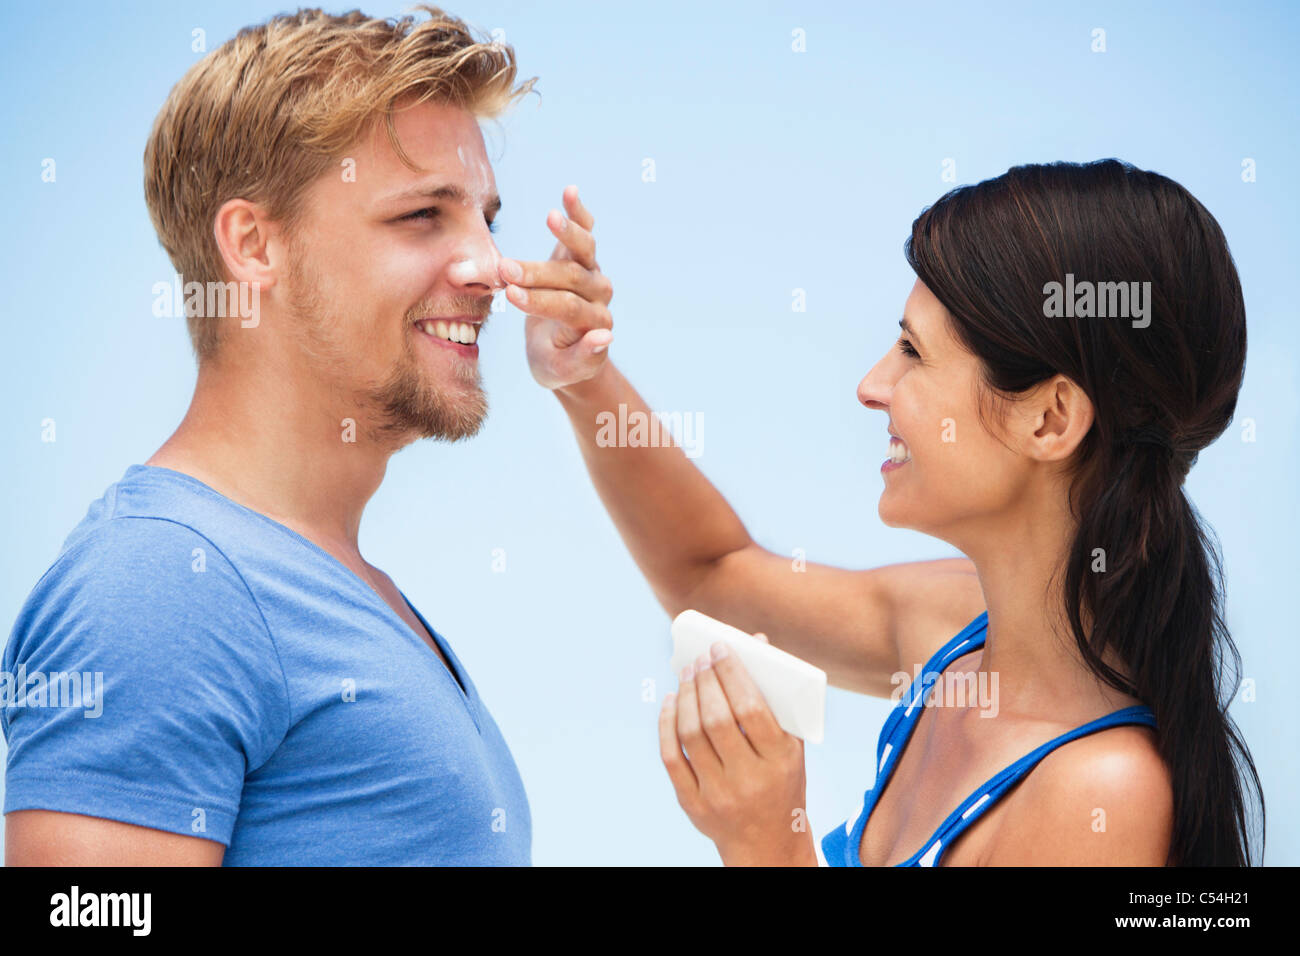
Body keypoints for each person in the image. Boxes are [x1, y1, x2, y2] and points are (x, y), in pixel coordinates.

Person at [507, 159, 1265, 866]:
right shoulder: (955, 631)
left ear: (1050, 420)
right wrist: (583, 379)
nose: (871, 385)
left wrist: (772, 844)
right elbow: (709, 576)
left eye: (913, 350)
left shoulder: (1100, 795)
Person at [2, 5, 584, 865]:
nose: (489, 266)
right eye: (424, 214)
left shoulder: (341, 589)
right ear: (252, 245)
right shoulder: (162, 586)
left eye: (485, 220)